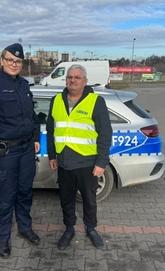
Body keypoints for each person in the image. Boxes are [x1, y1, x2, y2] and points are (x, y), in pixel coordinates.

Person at [0, 43, 41, 258]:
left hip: (26, 150)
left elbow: (32, 115)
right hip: (5, 152)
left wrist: (35, 138)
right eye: (10, 60)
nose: (14, 64)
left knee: (25, 193)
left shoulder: (24, 85)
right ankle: (2, 238)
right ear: (2, 61)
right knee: (6, 197)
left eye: (18, 61)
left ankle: (24, 228)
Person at [46, 64, 112, 250]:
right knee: (66, 199)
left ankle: (91, 228)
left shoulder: (95, 101)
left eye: (77, 77)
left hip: (87, 162)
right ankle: (69, 228)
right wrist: (52, 155)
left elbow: (105, 133)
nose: (72, 80)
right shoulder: (56, 100)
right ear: (65, 80)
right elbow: (51, 130)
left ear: (85, 81)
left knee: (89, 199)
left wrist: (101, 163)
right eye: (69, 77)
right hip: (64, 162)